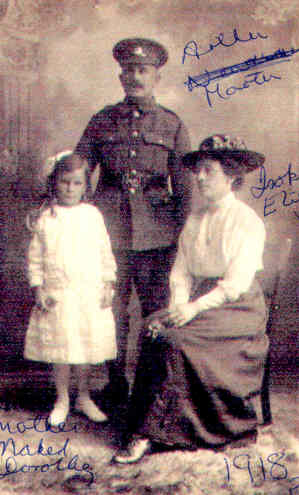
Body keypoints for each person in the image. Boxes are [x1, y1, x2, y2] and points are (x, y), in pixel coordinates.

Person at [113, 134, 269, 463]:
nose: (198, 177)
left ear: (231, 176)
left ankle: (158, 432)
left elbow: (236, 284)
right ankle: (144, 423)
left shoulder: (246, 222)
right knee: (154, 325)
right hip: (200, 298)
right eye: (197, 170)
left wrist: (193, 309)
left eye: (208, 171)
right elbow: (181, 273)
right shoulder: (194, 220)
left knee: (174, 339)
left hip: (238, 307)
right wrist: (179, 305)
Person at [75, 38, 191, 398]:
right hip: (108, 233)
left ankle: (151, 389)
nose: (135, 77)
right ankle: (116, 384)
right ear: (120, 75)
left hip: (158, 236)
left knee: (157, 311)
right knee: (112, 311)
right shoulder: (102, 120)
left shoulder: (172, 125)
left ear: (156, 77)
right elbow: (76, 170)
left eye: (143, 70)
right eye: (129, 70)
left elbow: (185, 189)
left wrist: (182, 238)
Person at [24, 151, 117, 426]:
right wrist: (38, 288)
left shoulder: (92, 215)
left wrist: (108, 283)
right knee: (62, 347)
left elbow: (104, 251)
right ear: (54, 183)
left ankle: (84, 395)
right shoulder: (46, 217)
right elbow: (35, 258)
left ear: (85, 186)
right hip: (59, 294)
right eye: (65, 182)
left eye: (77, 183)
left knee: (85, 345)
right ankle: (62, 397)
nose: (70, 188)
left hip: (88, 292)